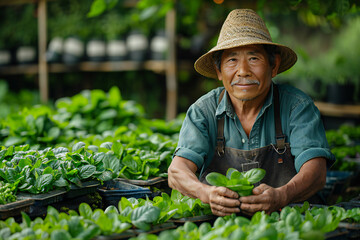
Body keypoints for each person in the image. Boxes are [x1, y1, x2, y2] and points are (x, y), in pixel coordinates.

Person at [168, 9, 335, 217]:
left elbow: (316, 172)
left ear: (273, 67)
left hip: (291, 223)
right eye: (232, 60)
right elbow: (177, 172)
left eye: (254, 58)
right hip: (225, 227)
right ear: (219, 72)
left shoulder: (297, 107)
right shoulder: (204, 111)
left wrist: (282, 196)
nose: (243, 71)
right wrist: (206, 193)